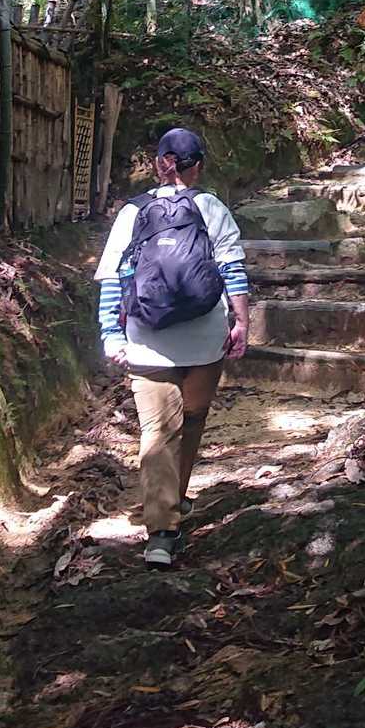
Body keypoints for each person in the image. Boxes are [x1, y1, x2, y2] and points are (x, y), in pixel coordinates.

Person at [96, 126, 250, 568]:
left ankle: (162, 533)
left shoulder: (132, 211)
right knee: (193, 419)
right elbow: (232, 270)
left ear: (158, 164)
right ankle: (173, 501)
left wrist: (111, 334)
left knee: (158, 431)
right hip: (204, 337)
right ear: (198, 166)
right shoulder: (211, 207)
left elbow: (113, 278)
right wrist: (241, 322)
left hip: (147, 339)